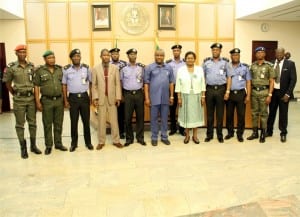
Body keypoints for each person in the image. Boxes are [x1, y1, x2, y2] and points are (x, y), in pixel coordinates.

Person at [3, 44, 42, 159]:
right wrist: (15, 93)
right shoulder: (11, 67)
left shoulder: (31, 66)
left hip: (30, 100)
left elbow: (35, 83)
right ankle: (23, 147)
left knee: (33, 123)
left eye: (24, 52)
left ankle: (33, 146)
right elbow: (8, 84)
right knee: (20, 125)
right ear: (16, 53)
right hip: (19, 100)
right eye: (20, 52)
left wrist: (36, 99)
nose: (22, 54)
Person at [34, 50, 67, 155]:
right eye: (49, 58)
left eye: (53, 57)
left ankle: (58, 143)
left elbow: (63, 85)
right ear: (45, 59)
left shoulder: (59, 70)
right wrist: (37, 102)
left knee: (58, 123)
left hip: (59, 100)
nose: (52, 60)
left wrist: (65, 100)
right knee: (47, 124)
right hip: (46, 101)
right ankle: (48, 145)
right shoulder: (40, 71)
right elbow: (36, 87)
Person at [62, 49, 94, 152]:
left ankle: (88, 143)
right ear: (71, 58)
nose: (76, 58)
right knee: (74, 122)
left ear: (80, 57)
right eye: (74, 56)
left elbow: (91, 83)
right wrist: (66, 100)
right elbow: (64, 85)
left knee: (86, 122)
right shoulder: (66, 70)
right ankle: (74, 144)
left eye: (78, 56)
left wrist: (91, 96)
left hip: (84, 97)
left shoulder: (86, 68)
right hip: (73, 99)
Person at [92, 48, 123, 150]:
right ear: (100, 57)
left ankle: (116, 140)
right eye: (104, 55)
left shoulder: (115, 68)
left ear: (109, 57)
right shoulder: (95, 68)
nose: (106, 57)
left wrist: (118, 97)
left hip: (112, 98)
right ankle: (101, 141)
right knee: (101, 120)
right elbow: (94, 85)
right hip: (101, 98)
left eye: (107, 55)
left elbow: (117, 84)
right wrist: (95, 97)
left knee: (114, 120)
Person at [266, 47, 297, 142]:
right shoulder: (270, 63)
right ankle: (269, 131)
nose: (279, 54)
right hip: (273, 92)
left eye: (281, 53)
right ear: (275, 54)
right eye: (277, 53)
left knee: (283, 114)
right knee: (271, 113)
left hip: (284, 93)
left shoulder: (290, 64)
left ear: (284, 53)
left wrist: (288, 93)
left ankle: (283, 133)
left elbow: (293, 80)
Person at [144, 49, 174, 146]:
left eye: (161, 55)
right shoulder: (149, 68)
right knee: (154, 118)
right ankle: (154, 137)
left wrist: (172, 96)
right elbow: (146, 84)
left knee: (165, 118)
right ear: (154, 56)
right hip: (154, 98)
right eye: (157, 55)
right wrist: (147, 98)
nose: (159, 57)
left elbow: (171, 82)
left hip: (165, 97)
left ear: (164, 56)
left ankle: (164, 136)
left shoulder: (169, 68)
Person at [175, 51, 206, 144]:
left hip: (197, 95)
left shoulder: (199, 69)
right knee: (187, 116)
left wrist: (203, 96)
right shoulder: (181, 70)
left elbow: (202, 83)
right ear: (185, 59)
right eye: (188, 58)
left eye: (192, 58)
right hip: (185, 95)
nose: (190, 60)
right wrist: (179, 97)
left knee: (196, 116)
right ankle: (187, 135)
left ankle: (195, 136)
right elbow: (178, 84)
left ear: (194, 59)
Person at [247, 47, 275, 143]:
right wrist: (249, 94)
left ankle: (263, 133)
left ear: (264, 54)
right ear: (255, 54)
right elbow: (249, 81)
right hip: (254, 92)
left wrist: (270, 95)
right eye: (258, 52)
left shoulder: (269, 66)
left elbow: (272, 81)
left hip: (264, 92)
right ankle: (255, 133)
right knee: (254, 113)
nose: (259, 54)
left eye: (261, 52)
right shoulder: (252, 66)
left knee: (263, 114)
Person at [202, 43, 230, 143]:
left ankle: (219, 135)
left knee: (220, 114)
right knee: (209, 114)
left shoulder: (225, 63)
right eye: (213, 50)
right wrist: (203, 92)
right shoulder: (206, 63)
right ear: (211, 51)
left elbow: (229, 77)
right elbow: (203, 77)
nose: (215, 51)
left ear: (220, 51)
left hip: (221, 89)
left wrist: (227, 91)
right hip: (209, 89)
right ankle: (209, 135)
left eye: (217, 50)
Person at [224, 48, 251, 142]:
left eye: (237, 55)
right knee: (229, 115)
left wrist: (248, 95)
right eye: (233, 55)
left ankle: (240, 133)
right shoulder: (227, 66)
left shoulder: (245, 67)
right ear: (231, 56)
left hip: (241, 93)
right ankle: (230, 132)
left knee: (241, 115)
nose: (235, 57)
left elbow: (248, 81)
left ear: (239, 56)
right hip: (230, 94)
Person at [120, 48, 146, 146]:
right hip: (127, 94)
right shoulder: (123, 68)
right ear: (128, 56)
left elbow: (144, 81)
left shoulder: (141, 68)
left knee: (140, 117)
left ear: (136, 56)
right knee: (127, 118)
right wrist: (121, 95)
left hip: (139, 94)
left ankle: (140, 138)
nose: (133, 56)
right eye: (131, 54)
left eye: (134, 54)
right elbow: (120, 82)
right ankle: (129, 139)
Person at [166, 44, 186, 136]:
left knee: (182, 109)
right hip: (172, 88)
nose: (176, 52)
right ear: (172, 52)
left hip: (182, 88)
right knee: (172, 110)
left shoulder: (185, 63)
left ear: (180, 52)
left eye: (178, 50)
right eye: (174, 51)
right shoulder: (168, 63)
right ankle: (173, 129)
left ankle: (182, 129)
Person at [109, 48, 127, 139]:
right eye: (113, 54)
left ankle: (122, 131)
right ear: (111, 55)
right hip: (111, 90)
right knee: (112, 113)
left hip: (122, 89)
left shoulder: (124, 64)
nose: (115, 55)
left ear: (119, 55)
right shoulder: (108, 64)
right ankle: (114, 132)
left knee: (121, 113)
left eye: (116, 54)